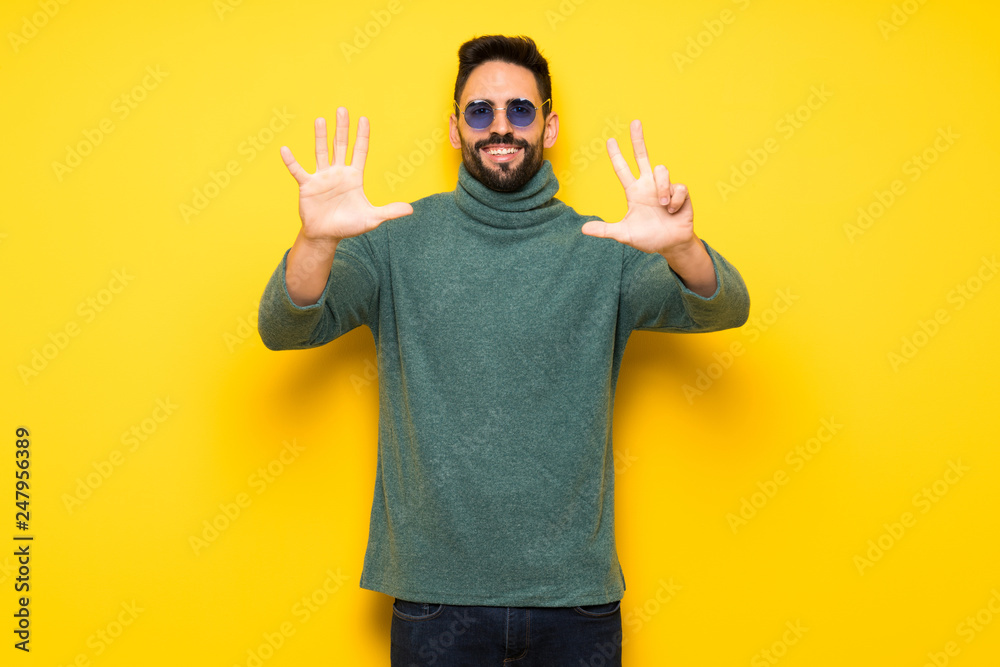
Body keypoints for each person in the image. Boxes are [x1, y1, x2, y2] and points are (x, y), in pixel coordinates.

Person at [257, 34, 749, 666]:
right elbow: (285, 325)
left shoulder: (606, 244)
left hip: (575, 600)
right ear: (456, 128)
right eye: (479, 111)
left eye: (520, 110)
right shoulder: (394, 237)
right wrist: (316, 239)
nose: (499, 127)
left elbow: (724, 306)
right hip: (435, 598)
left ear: (548, 127)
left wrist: (681, 248)